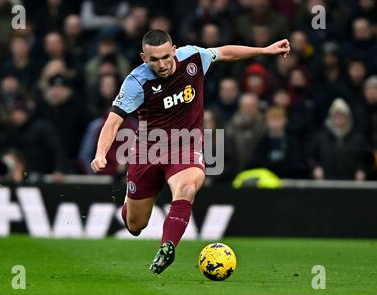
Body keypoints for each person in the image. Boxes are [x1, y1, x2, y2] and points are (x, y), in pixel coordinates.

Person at [91, 30, 290, 274]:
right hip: (148, 151)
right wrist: (101, 154)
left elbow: (225, 52)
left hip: (186, 146)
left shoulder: (193, 58)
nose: (162, 64)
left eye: (166, 56)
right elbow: (113, 122)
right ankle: (129, 205)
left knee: (186, 189)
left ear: (174, 50)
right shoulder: (136, 82)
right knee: (135, 225)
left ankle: (167, 247)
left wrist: (264, 50)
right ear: (144, 58)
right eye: (154, 60)